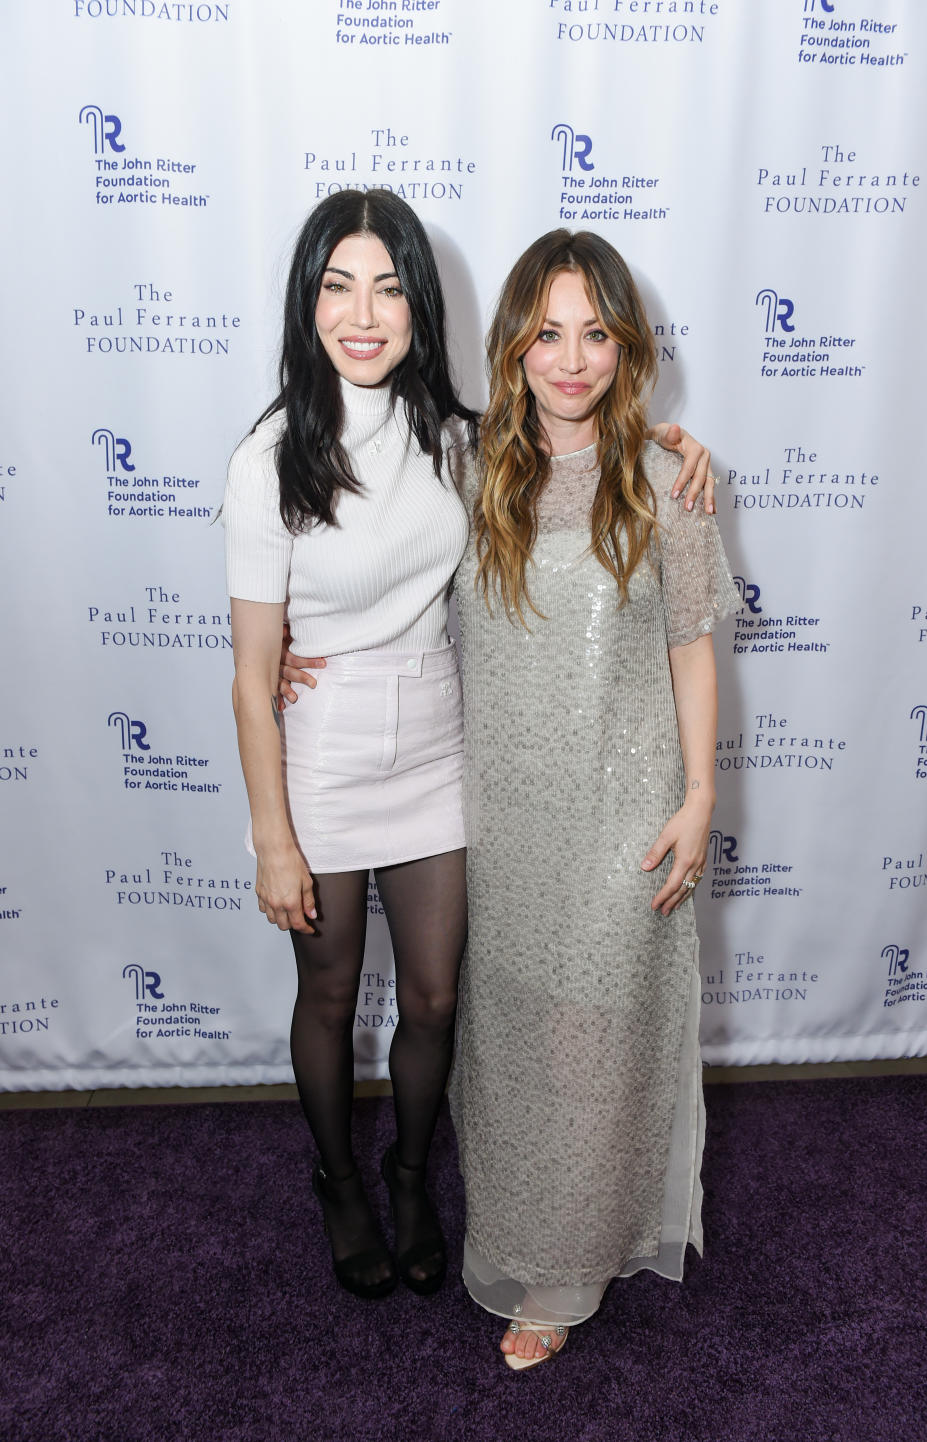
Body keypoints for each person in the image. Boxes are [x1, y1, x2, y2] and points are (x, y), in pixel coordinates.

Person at [226, 189, 716, 1307]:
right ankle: (340, 1183)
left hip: (440, 746)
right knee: (332, 989)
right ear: (308, 303)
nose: (364, 312)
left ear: (419, 306)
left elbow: (579, 448)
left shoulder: (454, 440)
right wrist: (272, 825)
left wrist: (673, 446)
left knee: (439, 997)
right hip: (329, 754)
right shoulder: (267, 460)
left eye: (389, 287)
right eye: (339, 286)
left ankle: (411, 1180)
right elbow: (254, 660)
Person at [449, 230, 739, 1368]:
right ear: (515, 344)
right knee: (515, 1044)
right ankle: (525, 1233)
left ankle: (566, 1272)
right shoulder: (468, 468)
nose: (571, 360)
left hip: (626, 810)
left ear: (628, 344)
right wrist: (290, 653)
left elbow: (692, 655)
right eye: (548, 333)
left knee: (595, 1044)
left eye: (596, 333)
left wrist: (700, 792)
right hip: (503, 819)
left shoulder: (670, 481)